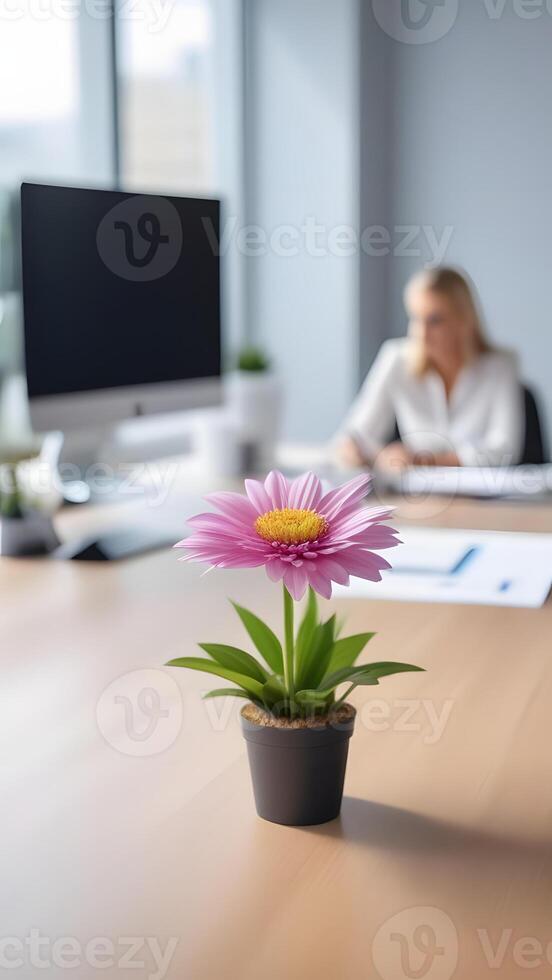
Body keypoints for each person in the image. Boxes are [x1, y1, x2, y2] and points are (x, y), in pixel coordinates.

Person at [336, 267, 523, 470]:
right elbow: (354, 437)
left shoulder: (500, 366)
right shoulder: (396, 359)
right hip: (417, 497)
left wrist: (425, 460)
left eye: (435, 320)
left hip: (482, 499)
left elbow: (504, 450)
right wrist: (373, 455)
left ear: (463, 320)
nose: (421, 333)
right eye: (415, 318)